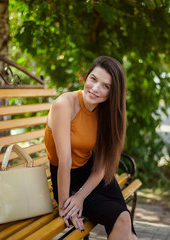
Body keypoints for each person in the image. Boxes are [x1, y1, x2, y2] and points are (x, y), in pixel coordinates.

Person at [44, 56, 138, 239]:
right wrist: (65, 205)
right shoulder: (64, 104)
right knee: (122, 220)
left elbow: (103, 163)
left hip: (93, 176)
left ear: (113, 93)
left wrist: (81, 197)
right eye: (93, 79)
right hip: (66, 180)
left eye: (106, 86)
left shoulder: (106, 112)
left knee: (124, 219)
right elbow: (65, 161)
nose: (95, 89)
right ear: (86, 77)